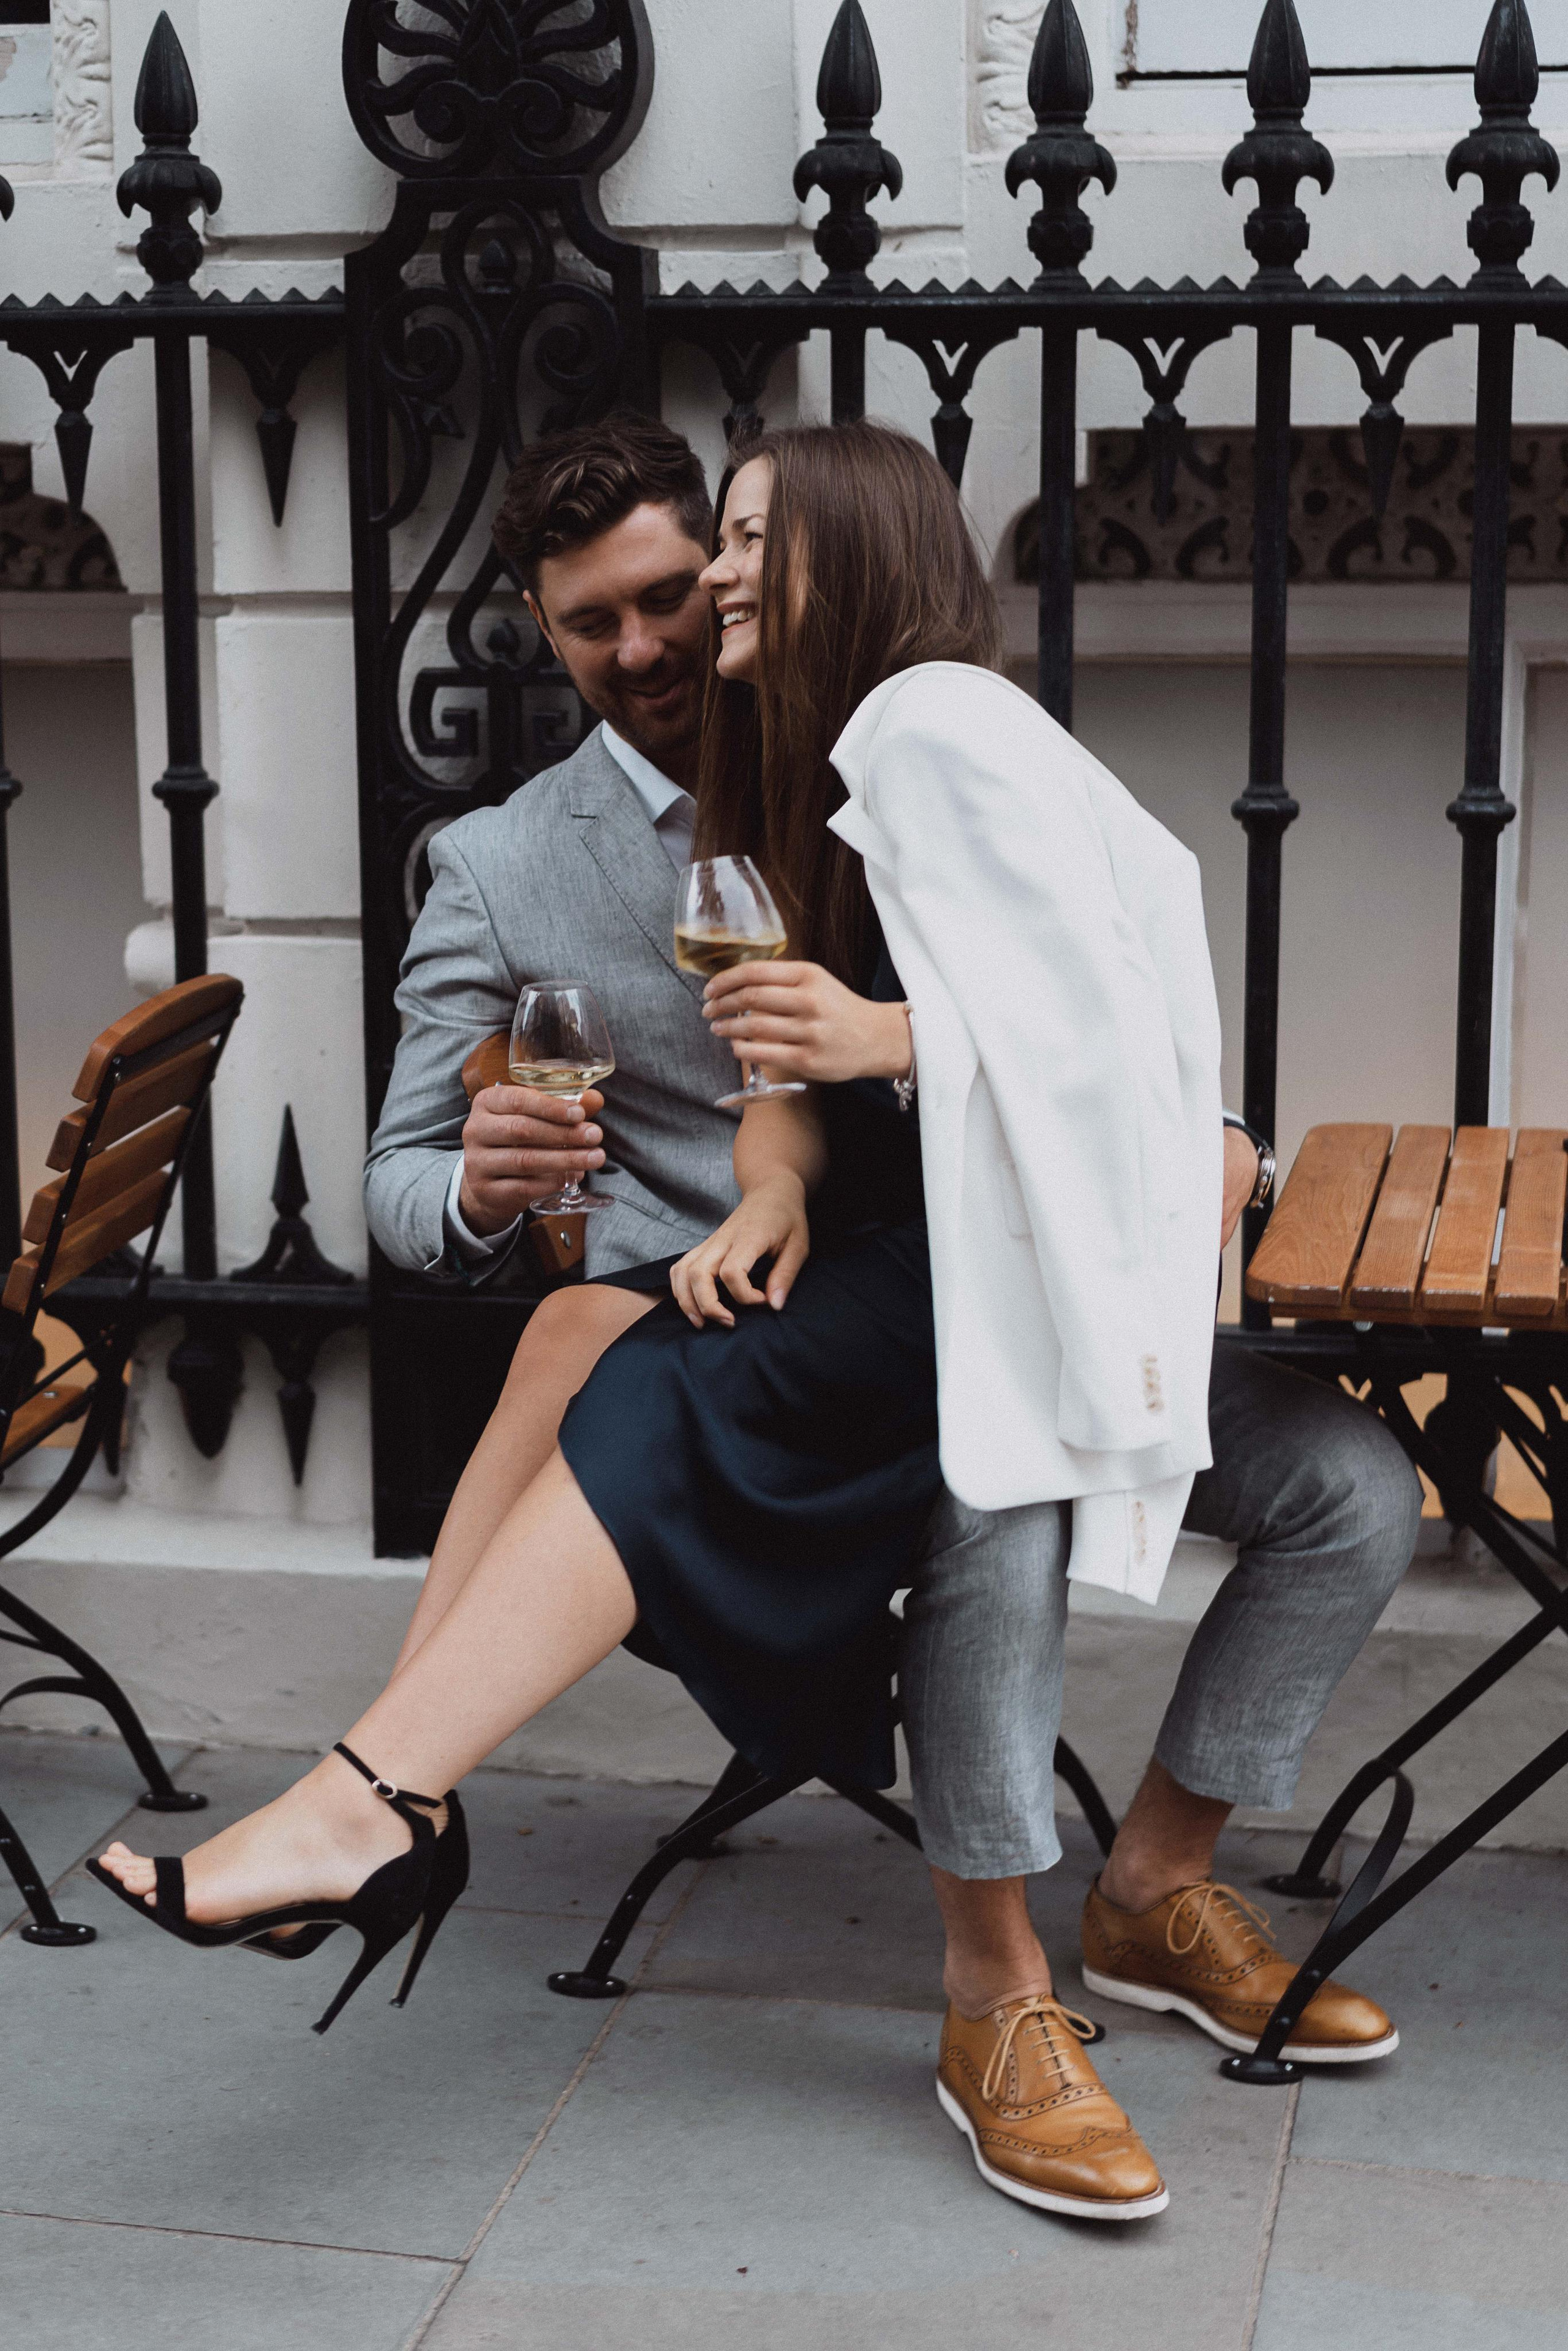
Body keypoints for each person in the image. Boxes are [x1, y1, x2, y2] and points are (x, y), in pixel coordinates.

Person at [93, 420, 1420, 2228]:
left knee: (1347, 1477)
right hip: (813, 1302)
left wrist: (1216, 1139)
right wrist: (511, 1185)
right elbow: (447, 1183)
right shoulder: (520, 855)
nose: (659, 634)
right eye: (597, 621)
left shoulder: (888, 731)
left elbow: (1090, 1000)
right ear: (539, 635)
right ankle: (985, 1993)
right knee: (725, 1397)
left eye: (695, 573)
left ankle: (1149, 1883)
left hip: (985, 1271)